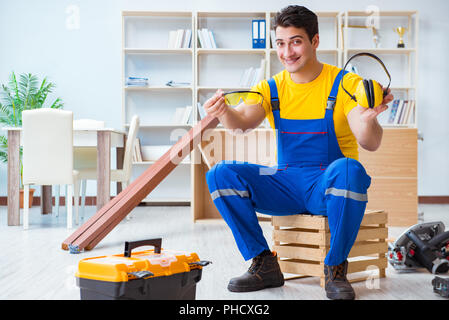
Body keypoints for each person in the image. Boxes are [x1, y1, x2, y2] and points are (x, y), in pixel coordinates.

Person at [203, 5, 393, 300]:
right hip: (286, 183)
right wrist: (223, 111)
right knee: (220, 174)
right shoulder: (271, 88)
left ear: (315, 41)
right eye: (280, 43)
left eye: (296, 41)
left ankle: (335, 268)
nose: (287, 52)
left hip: (328, 186)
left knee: (349, 168)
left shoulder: (346, 83)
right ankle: (264, 263)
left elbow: (369, 142)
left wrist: (369, 120)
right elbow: (240, 125)